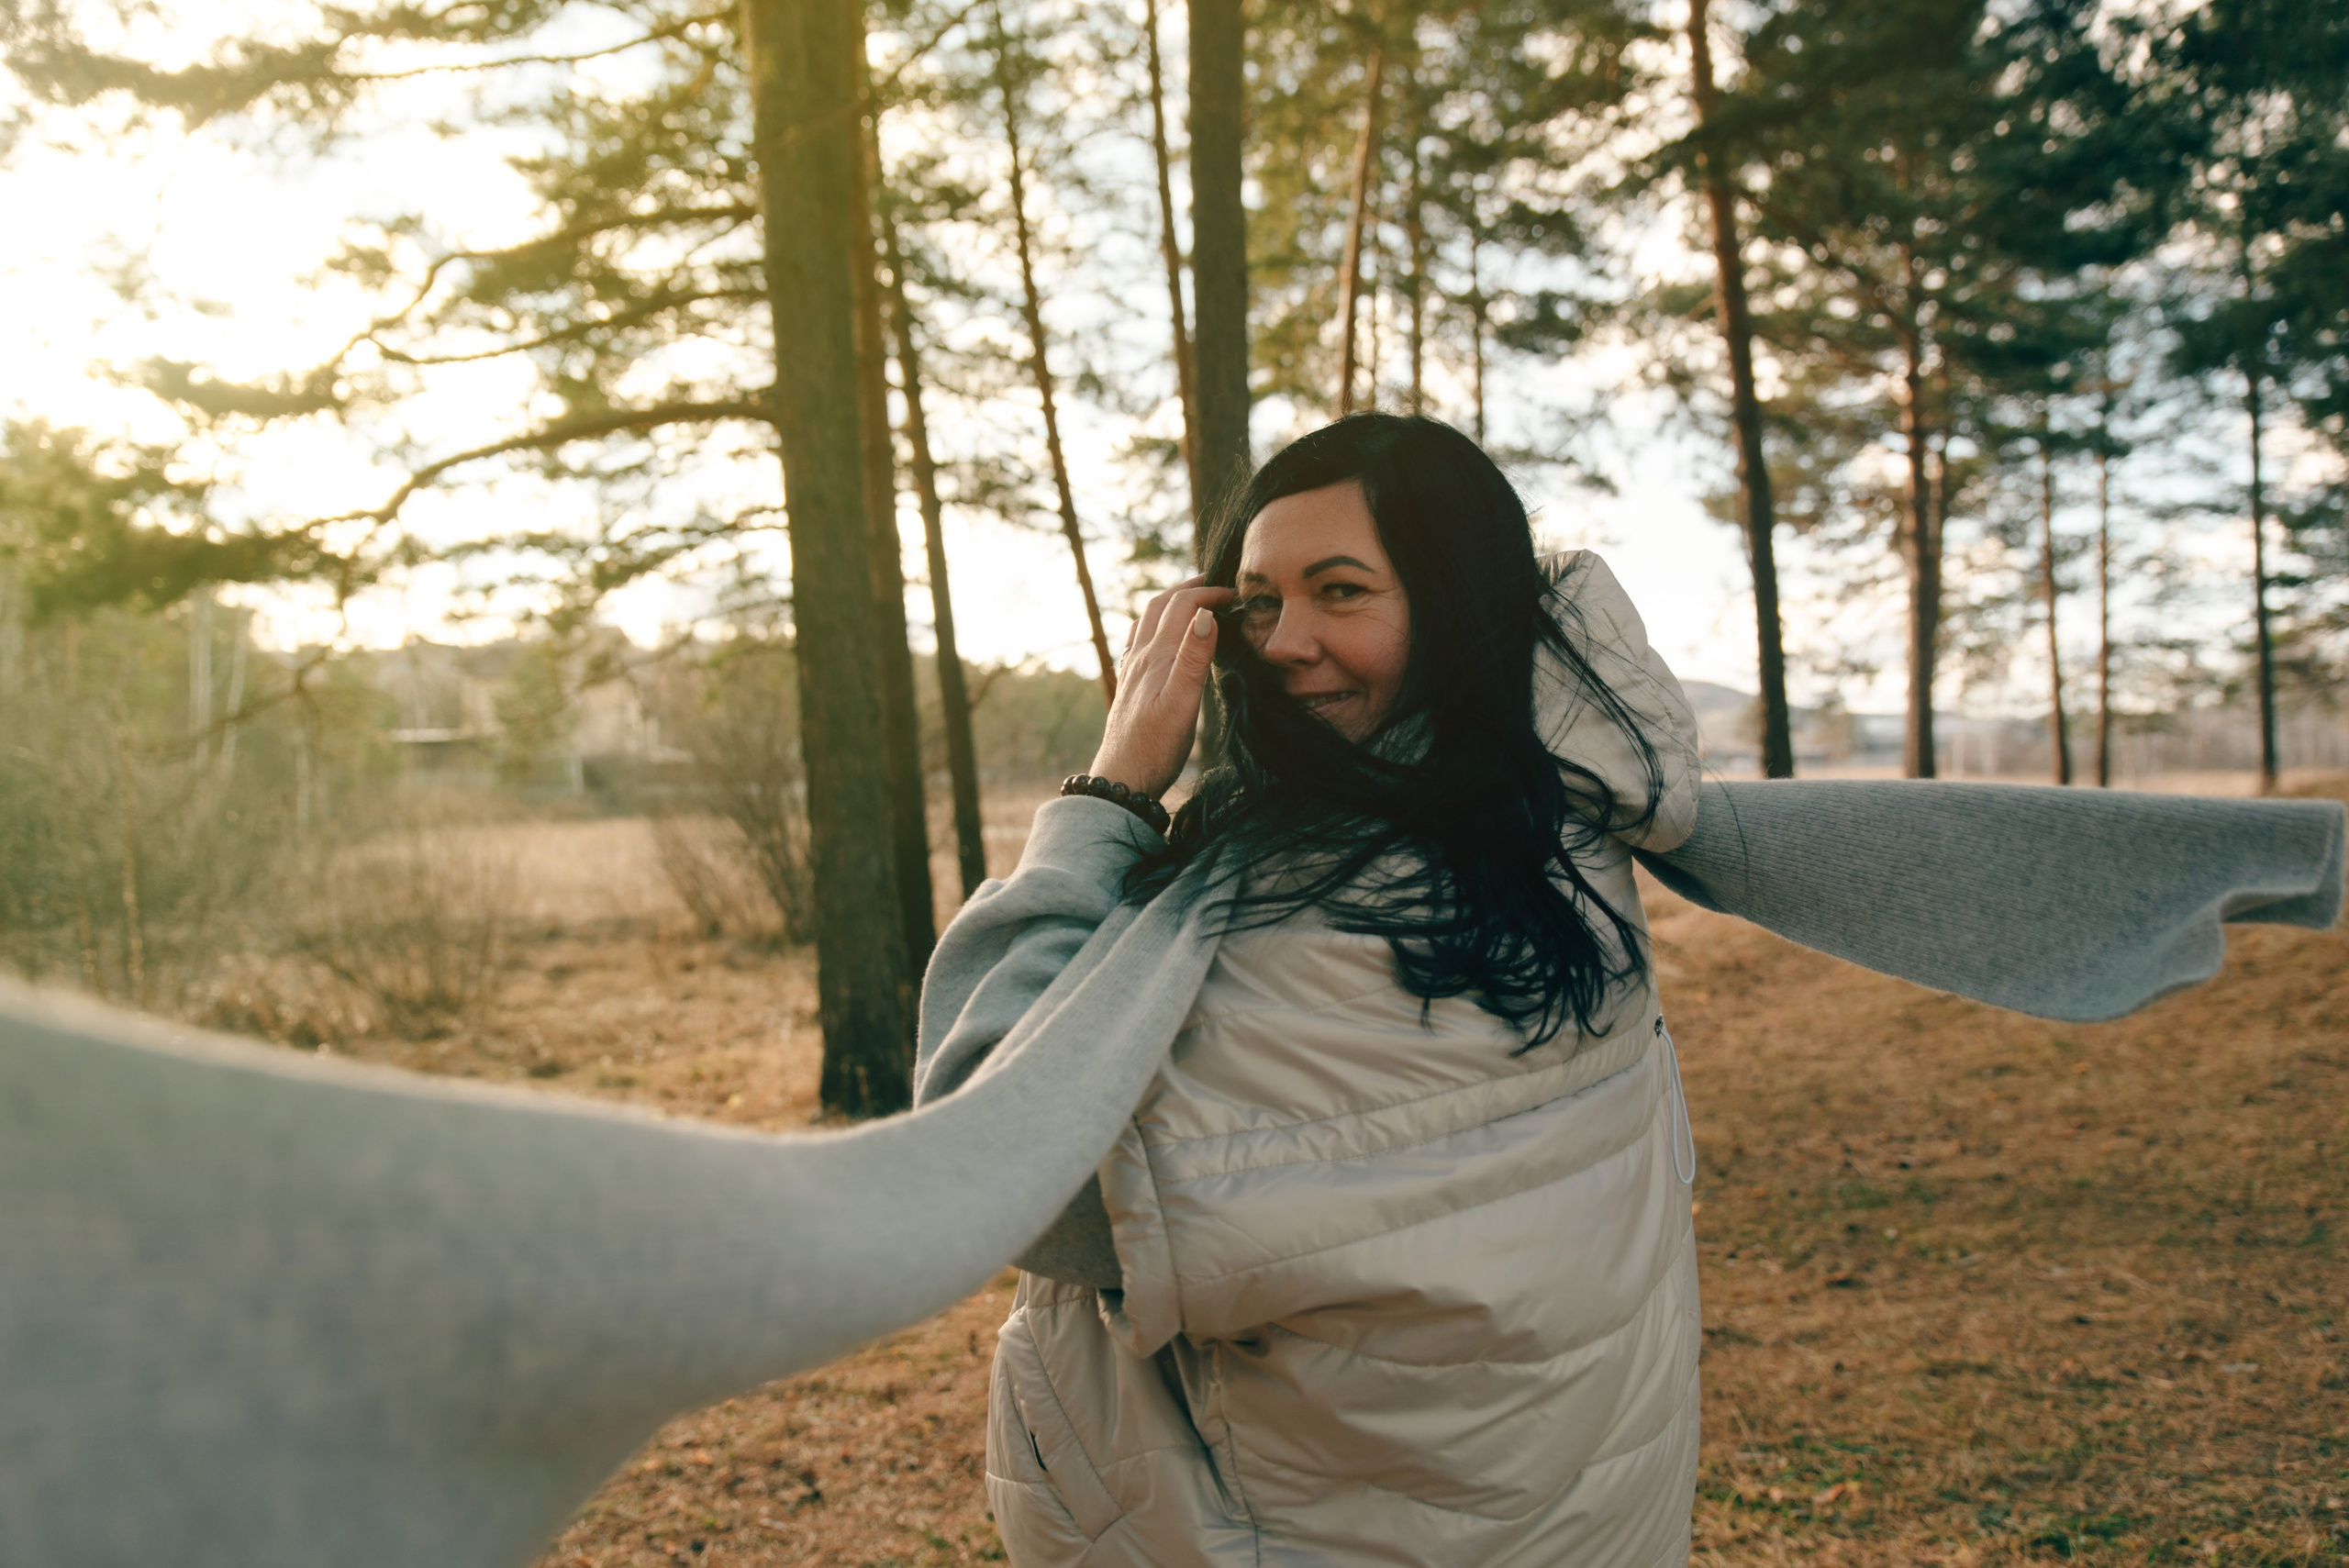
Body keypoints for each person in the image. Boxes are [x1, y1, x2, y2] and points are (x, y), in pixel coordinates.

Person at [934, 413, 1711, 1566]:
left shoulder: (1347, 917)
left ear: (1454, 610)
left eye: (1340, 590)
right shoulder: (1548, 823)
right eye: (1255, 601)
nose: (1283, 640)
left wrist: (1108, 792)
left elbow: (995, 1170)